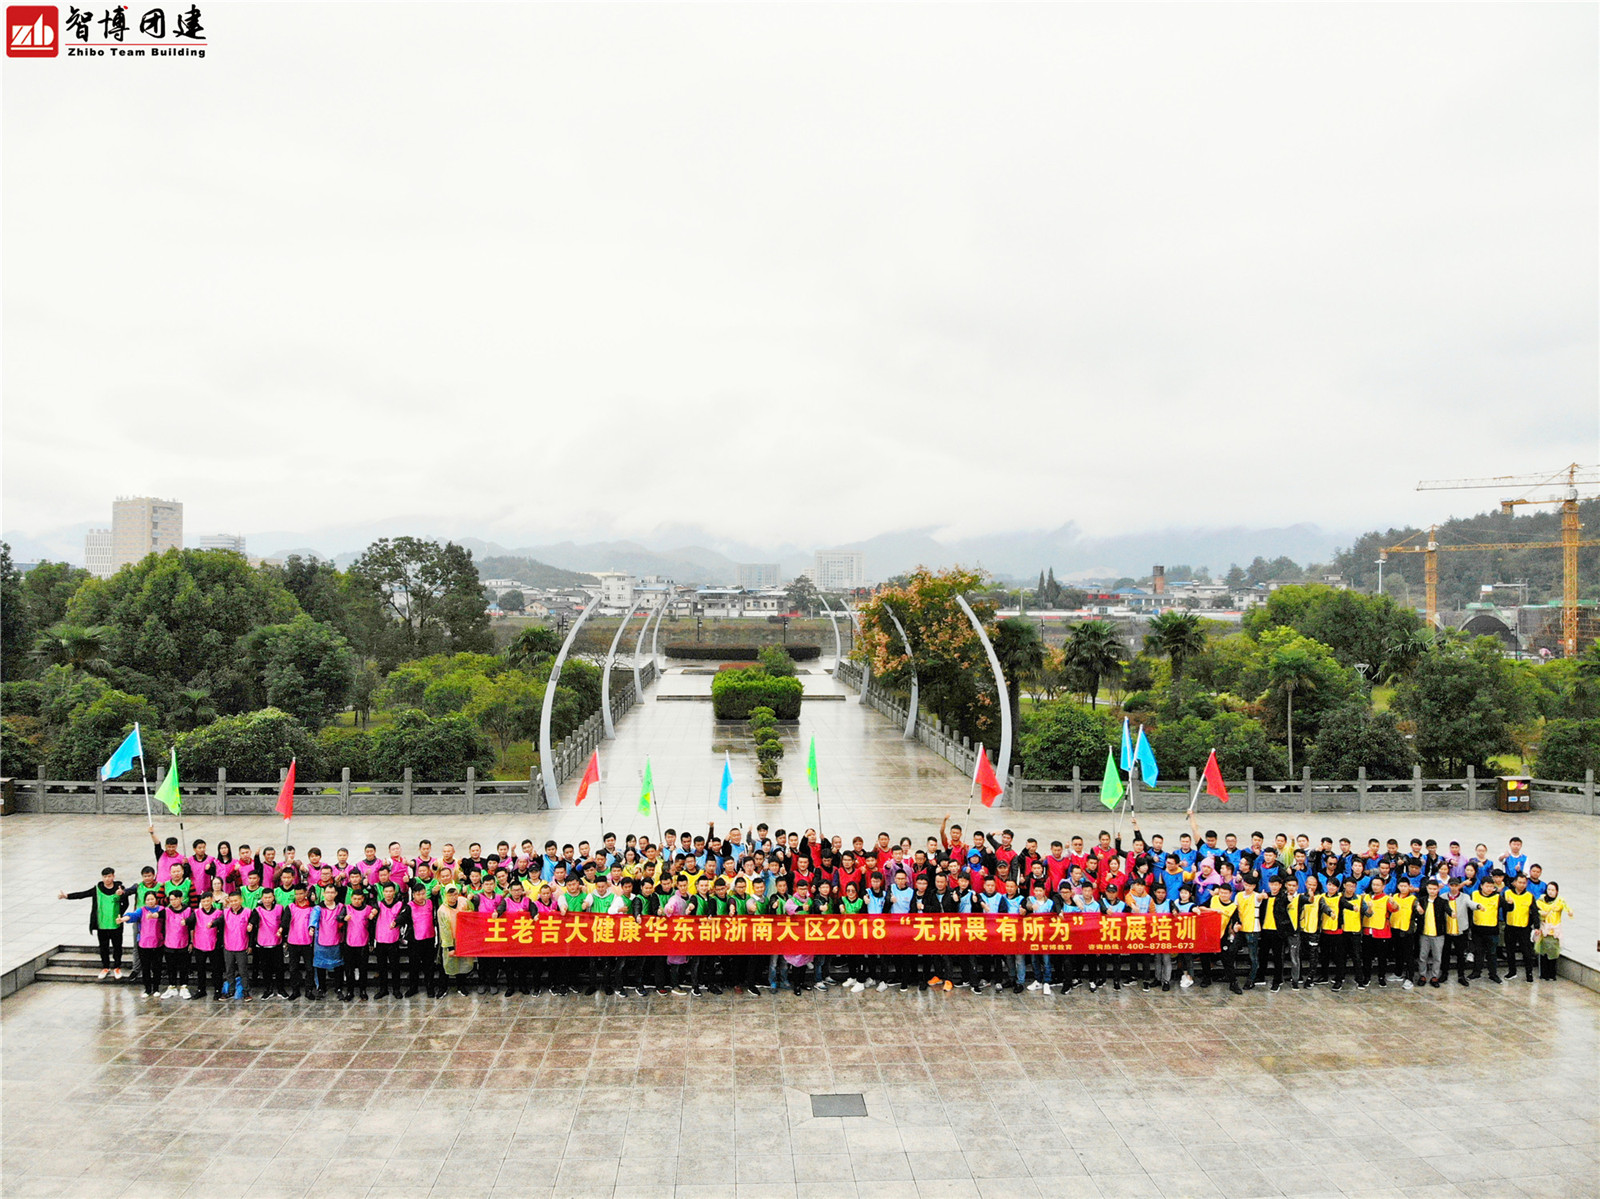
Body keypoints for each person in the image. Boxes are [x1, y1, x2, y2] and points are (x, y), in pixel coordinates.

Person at [59, 867, 129, 979]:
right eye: (105, 877)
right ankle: (105, 967)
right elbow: (83, 894)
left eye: (109, 876)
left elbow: (125, 903)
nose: (107, 879)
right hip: (101, 924)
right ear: (102, 877)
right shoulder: (98, 889)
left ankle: (117, 967)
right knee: (103, 947)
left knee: (117, 947)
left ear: (113, 877)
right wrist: (67, 896)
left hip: (116, 924)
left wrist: (121, 908)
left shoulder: (119, 888)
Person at [1534, 883, 1572, 981]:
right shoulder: (1541, 900)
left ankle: (1552, 973)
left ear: (1557, 891)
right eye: (1549, 889)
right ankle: (1544, 973)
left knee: (1553, 953)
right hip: (1544, 929)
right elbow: (1535, 910)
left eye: (1553, 890)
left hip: (1555, 931)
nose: (1550, 892)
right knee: (1543, 953)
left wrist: (1570, 912)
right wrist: (1541, 913)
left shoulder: (1560, 901)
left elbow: (1567, 908)